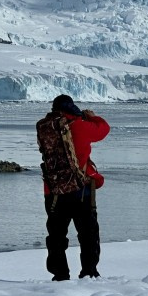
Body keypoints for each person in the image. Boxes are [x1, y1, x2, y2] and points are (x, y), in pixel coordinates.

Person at [39, 94, 110, 281]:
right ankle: (89, 273)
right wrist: (91, 117)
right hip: (81, 190)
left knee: (56, 236)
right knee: (88, 235)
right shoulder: (79, 125)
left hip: (53, 191)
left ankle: (60, 275)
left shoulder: (45, 127)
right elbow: (103, 130)